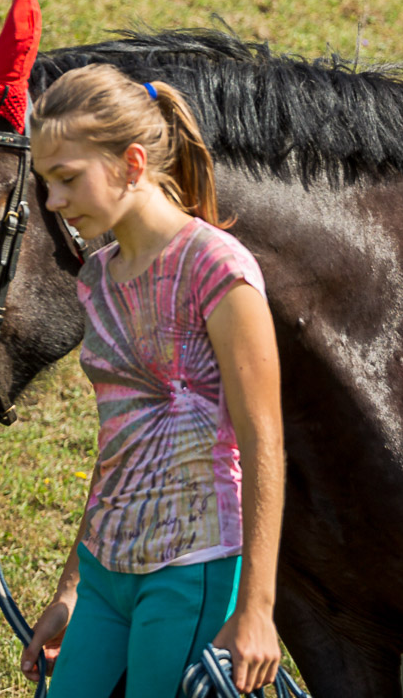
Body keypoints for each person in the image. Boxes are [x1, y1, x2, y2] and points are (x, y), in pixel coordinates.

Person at [21, 64, 284, 694]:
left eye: (67, 179)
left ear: (132, 164)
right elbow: (122, 439)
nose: (53, 202)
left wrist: (257, 609)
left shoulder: (217, 267)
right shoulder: (96, 277)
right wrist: (71, 588)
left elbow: (265, 440)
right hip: (104, 572)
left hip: (191, 567)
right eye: (46, 183)